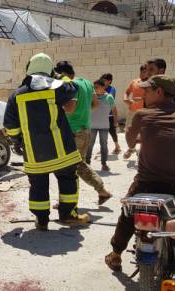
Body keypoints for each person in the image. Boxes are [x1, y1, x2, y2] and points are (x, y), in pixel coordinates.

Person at [105, 75, 175, 272]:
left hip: (145, 184)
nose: (143, 93)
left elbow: (131, 142)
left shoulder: (142, 115)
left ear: (159, 92)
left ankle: (116, 253)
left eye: (147, 90)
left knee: (128, 211)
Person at [4, 53, 90, 231]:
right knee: (67, 180)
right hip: (62, 151)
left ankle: (41, 220)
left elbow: (10, 126)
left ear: (28, 69)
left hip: (35, 153)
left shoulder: (16, 95)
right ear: (49, 71)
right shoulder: (56, 87)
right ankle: (68, 216)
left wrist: (18, 141)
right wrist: (60, 76)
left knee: (38, 185)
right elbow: (73, 89)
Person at [54, 61, 113, 205]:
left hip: (74, 132)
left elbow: (70, 109)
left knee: (69, 168)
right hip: (85, 129)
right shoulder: (86, 83)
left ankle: (69, 201)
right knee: (77, 166)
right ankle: (101, 191)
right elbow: (95, 104)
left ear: (63, 74)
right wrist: (83, 114)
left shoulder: (70, 85)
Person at [86, 79, 116, 172]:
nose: (95, 89)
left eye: (97, 87)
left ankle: (104, 164)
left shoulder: (109, 97)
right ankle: (87, 164)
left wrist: (115, 122)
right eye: (94, 87)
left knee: (104, 145)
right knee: (89, 145)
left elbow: (114, 110)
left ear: (103, 87)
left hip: (104, 126)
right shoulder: (91, 97)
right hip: (92, 125)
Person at [122, 64, 148, 160]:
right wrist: (125, 99)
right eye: (141, 71)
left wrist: (141, 99)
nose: (142, 73)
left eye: (145, 72)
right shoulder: (134, 82)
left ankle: (141, 152)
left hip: (145, 112)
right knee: (128, 131)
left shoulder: (151, 83)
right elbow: (127, 92)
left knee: (143, 133)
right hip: (132, 111)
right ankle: (131, 148)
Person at [101, 73, 121, 154]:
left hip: (109, 114)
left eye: (105, 80)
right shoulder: (100, 88)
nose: (103, 82)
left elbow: (108, 98)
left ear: (110, 81)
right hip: (101, 114)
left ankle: (117, 146)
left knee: (112, 131)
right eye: (102, 80)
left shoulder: (112, 89)